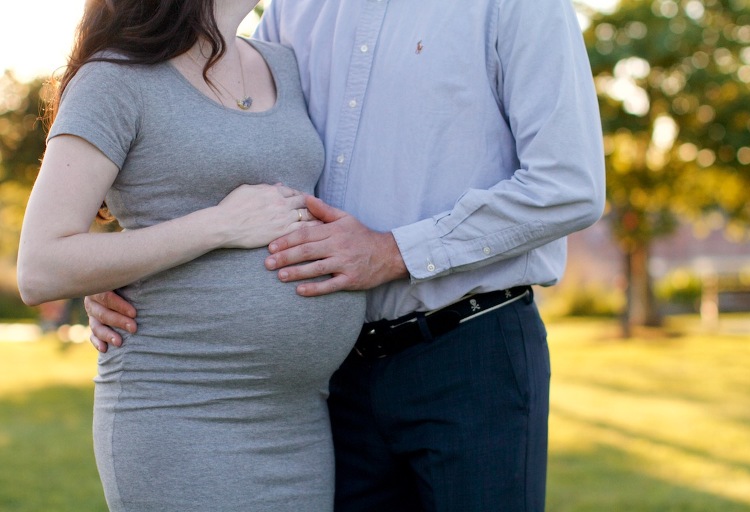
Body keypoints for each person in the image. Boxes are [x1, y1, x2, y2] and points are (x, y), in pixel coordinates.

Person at [86, 0, 606, 510]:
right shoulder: (290, 10)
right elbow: (228, 144)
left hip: (470, 358)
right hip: (331, 385)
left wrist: (393, 252)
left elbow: (568, 184)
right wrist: (126, 260)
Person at [17, 0, 366, 510]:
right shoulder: (114, 78)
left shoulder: (284, 64)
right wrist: (218, 225)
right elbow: (41, 267)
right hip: (181, 408)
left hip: (299, 418)